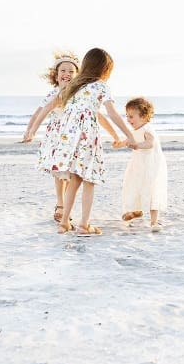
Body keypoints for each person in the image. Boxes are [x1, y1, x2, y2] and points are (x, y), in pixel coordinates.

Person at [37, 48, 137, 235]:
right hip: (87, 137)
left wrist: (33, 129)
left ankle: (64, 223)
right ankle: (84, 224)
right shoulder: (100, 86)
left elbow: (50, 108)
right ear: (104, 69)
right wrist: (128, 135)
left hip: (69, 138)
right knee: (89, 180)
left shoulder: (75, 86)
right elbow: (111, 113)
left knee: (74, 181)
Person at [21, 52, 123, 223]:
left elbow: (97, 114)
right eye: (63, 70)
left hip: (74, 136)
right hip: (57, 136)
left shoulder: (78, 90)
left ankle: (65, 212)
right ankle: (61, 204)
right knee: (60, 172)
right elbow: (41, 111)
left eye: (71, 71)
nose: (67, 74)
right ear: (56, 74)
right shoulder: (55, 93)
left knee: (71, 172)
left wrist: (113, 134)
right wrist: (30, 130)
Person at [120, 97, 168, 232]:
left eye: (131, 116)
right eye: (127, 116)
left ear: (143, 116)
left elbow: (150, 144)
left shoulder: (147, 129)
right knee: (134, 186)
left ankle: (154, 221)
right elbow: (128, 140)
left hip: (152, 166)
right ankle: (136, 211)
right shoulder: (135, 130)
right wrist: (119, 144)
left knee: (152, 190)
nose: (128, 120)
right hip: (139, 165)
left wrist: (137, 145)